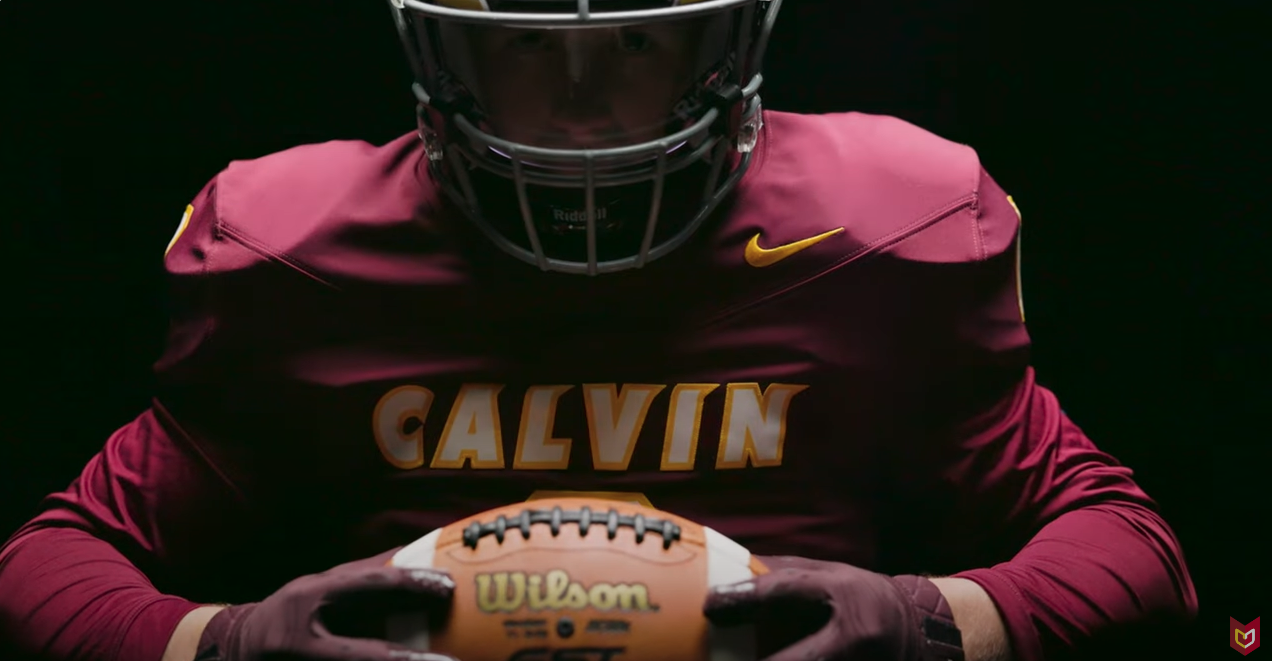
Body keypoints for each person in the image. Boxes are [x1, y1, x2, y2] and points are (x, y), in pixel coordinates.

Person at [0, 0, 1198, 660]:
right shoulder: (294, 250)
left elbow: (1134, 546)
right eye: (527, 43)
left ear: (724, 43)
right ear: (444, 48)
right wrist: (231, 645)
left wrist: (928, 624)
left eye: (633, 38)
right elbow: (44, 564)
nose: (581, 101)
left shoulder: (886, 228)